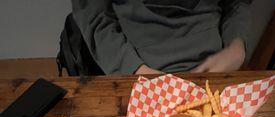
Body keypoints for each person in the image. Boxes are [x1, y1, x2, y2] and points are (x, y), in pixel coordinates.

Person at [71, 0, 252, 75]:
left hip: (216, 67)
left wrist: (237, 46)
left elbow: (237, 3)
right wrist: (133, 68)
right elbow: (93, 14)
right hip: (137, 68)